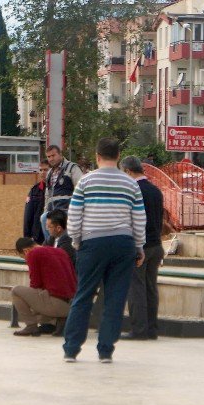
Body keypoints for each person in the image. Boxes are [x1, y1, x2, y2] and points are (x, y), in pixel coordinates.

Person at [63, 138, 146, 363]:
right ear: (118, 156)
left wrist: (77, 241)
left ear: (97, 156)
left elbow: (74, 215)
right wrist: (139, 245)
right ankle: (105, 351)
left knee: (84, 295)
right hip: (123, 244)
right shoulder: (131, 184)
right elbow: (139, 218)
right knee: (115, 298)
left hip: (92, 243)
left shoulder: (86, 182)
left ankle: (71, 349)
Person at [120, 156, 165, 341]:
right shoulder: (155, 190)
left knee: (136, 288)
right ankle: (152, 329)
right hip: (156, 245)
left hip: (141, 247)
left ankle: (139, 330)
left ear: (128, 171)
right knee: (151, 288)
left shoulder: (133, 190)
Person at [12, 237, 77, 337]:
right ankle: (58, 320)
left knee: (16, 291)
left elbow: (35, 284)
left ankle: (31, 326)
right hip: (72, 303)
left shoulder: (33, 253)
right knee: (38, 296)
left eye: (23, 257)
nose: (26, 259)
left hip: (56, 304)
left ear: (26, 251)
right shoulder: (60, 251)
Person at [40, 145, 83, 241]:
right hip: (54, 211)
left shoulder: (72, 168)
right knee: (44, 218)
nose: (51, 159)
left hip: (67, 210)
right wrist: (46, 211)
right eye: (48, 157)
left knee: (65, 238)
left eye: (53, 155)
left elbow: (81, 189)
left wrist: (77, 210)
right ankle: (51, 247)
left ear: (60, 154)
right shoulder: (50, 173)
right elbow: (48, 196)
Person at [23, 160, 50, 244]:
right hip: (38, 236)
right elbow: (28, 215)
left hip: (52, 233)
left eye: (46, 170)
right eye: (41, 170)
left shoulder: (58, 189)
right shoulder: (34, 190)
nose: (42, 173)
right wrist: (27, 238)